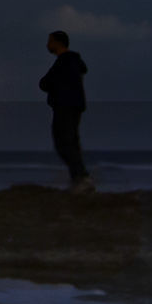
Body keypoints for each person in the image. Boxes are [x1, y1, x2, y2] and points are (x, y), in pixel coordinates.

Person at [39, 30, 94, 193]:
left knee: (64, 143)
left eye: (50, 41)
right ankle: (78, 179)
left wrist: (54, 89)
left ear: (57, 42)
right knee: (71, 142)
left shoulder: (65, 62)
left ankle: (82, 178)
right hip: (73, 106)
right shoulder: (73, 62)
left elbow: (45, 83)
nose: (47, 45)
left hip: (65, 107)